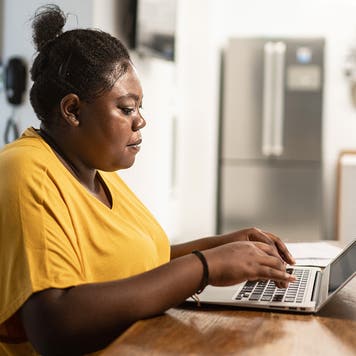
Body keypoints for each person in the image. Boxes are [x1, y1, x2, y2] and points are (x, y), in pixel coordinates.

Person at [0, 4, 296, 356]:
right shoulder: (24, 171)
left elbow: (139, 263)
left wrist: (220, 246)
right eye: (126, 108)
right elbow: (55, 327)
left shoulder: (94, 172)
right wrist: (206, 266)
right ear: (73, 110)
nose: (141, 121)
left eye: (139, 108)